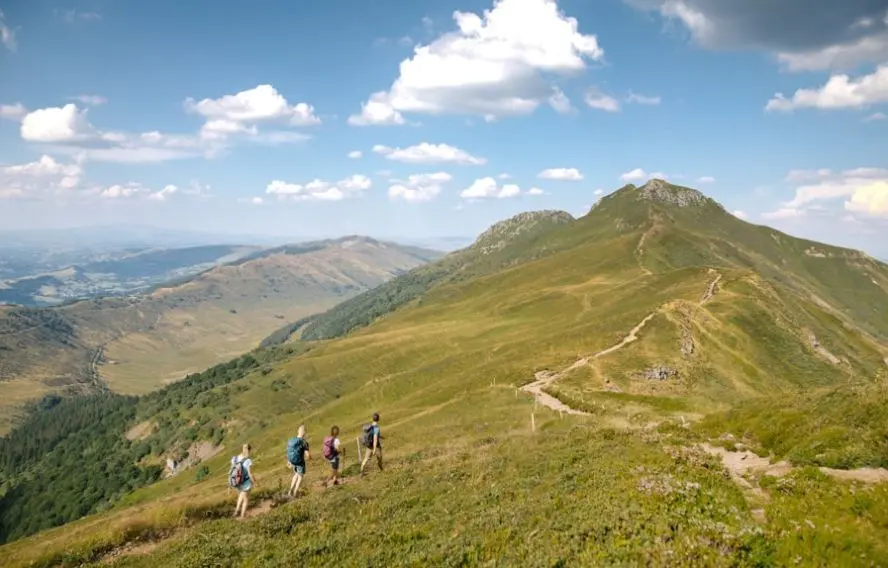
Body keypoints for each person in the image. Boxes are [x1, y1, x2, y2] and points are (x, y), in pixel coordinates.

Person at [230, 444, 256, 518]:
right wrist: (255, 482)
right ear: (249, 450)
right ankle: (242, 516)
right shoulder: (248, 460)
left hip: (237, 481)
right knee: (246, 499)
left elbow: (232, 469)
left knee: (241, 495)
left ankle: (236, 511)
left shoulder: (235, 458)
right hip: (245, 482)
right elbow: (250, 474)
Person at [286, 425, 311, 497]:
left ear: (298, 431)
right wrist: (310, 458)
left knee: (296, 474)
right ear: (304, 433)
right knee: (300, 476)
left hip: (292, 461)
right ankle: (295, 492)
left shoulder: (292, 440)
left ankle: (290, 490)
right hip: (299, 462)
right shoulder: (304, 442)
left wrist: (289, 461)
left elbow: (289, 450)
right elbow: (307, 455)